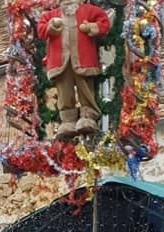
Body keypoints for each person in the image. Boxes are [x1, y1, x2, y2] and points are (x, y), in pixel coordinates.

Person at [37, 0, 112, 139]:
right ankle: (67, 120)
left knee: (85, 88)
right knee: (64, 91)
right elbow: (41, 30)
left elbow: (104, 22)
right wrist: (51, 26)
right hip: (61, 61)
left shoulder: (89, 10)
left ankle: (88, 116)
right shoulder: (52, 15)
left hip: (83, 58)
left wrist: (91, 27)